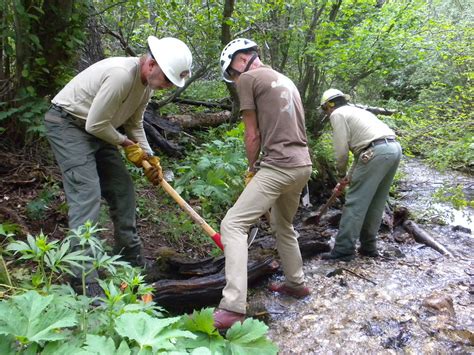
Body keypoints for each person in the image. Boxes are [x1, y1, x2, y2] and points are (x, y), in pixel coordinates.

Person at [44, 36, 192, 296]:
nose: (167, 86)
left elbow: (135, 124)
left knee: (123, 189)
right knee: (87, 195)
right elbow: (95, 124)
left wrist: (148, 158)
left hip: (99, 130)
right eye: (167, 79)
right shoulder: (121, 75)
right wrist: (125, 144)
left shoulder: (146, 86)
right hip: (68, 124)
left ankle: (130, 258)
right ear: (151, 64)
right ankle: (82, 278)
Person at [213, 38, 313, 330]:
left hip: (278, 165)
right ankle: (296, 283)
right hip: (303, 165)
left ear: (240, 60)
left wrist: (251, 168)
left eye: (232, 73)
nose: (234, 80)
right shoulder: (285, 79)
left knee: (233, 225)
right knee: (284, 225)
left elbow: (252, 134)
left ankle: (232, 306)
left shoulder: (249, 78)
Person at [319, 89, 402, 262]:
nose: (326, 113)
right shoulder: (357, 111)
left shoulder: (338, 114)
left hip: (375, 152)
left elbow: (341, 151)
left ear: (328, 106)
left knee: (355, 203)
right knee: (376, 202)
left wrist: (340, 172)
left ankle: (343, 250)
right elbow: (361, 153)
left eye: (325, 109)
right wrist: (347, 177)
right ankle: (368, 247)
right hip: (393, 149)